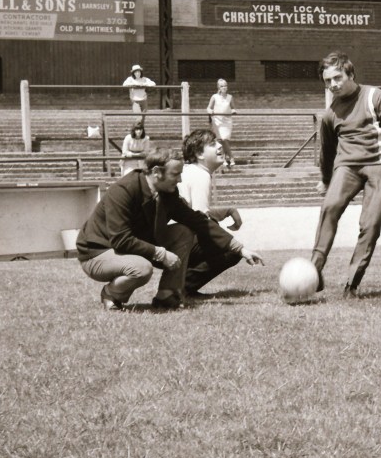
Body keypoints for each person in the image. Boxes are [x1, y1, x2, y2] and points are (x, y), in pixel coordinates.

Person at [75, 146, 263, 311]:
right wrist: (160, 253)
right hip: (98, 252)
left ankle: (167, 294)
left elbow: (196, 220)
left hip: (130, 246)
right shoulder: (123, 190)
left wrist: (240, 248)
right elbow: (120, 240)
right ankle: (111, 294)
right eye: (175, 174)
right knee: (141, 268)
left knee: (183, 230)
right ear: (157, 172)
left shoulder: (166, 192)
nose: (180, 180)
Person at [310, 52, 381, 297]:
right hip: (347, 167)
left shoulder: (375, 96)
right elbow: (326, 152)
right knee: (329, 207)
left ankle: (352, 283)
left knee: (370, 224)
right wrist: (325, 180)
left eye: (337, 77)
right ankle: (313, 273)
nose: (333, 84)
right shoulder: (329, 114)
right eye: (327, 81)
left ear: (350, 74)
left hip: (379, 165)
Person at [179, 127, 246, 298]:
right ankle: (182, 287)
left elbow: (192, 213)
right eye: (212, 143)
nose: (219, 146)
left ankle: (178, 284)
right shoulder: (200, 175)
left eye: (217, 141)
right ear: (199, 154)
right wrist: (235, 245)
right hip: (176, 241)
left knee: (216, 236)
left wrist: (228, 210)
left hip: (170, 238)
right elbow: (200, 220)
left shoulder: (190, 171)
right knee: (230, 249)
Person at [206, 78, 236, 168]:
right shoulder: (214, 96)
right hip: (217, 120)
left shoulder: (230, 97)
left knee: (225, 139)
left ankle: (230, 157)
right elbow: (209, 108)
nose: (224, 87)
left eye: (225, 86)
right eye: (222, 86)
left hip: (227, 121)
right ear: (219, 87)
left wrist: (234, 111)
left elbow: (233, 107)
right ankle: (225, 159)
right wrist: (210, 112)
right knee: (220, 140)